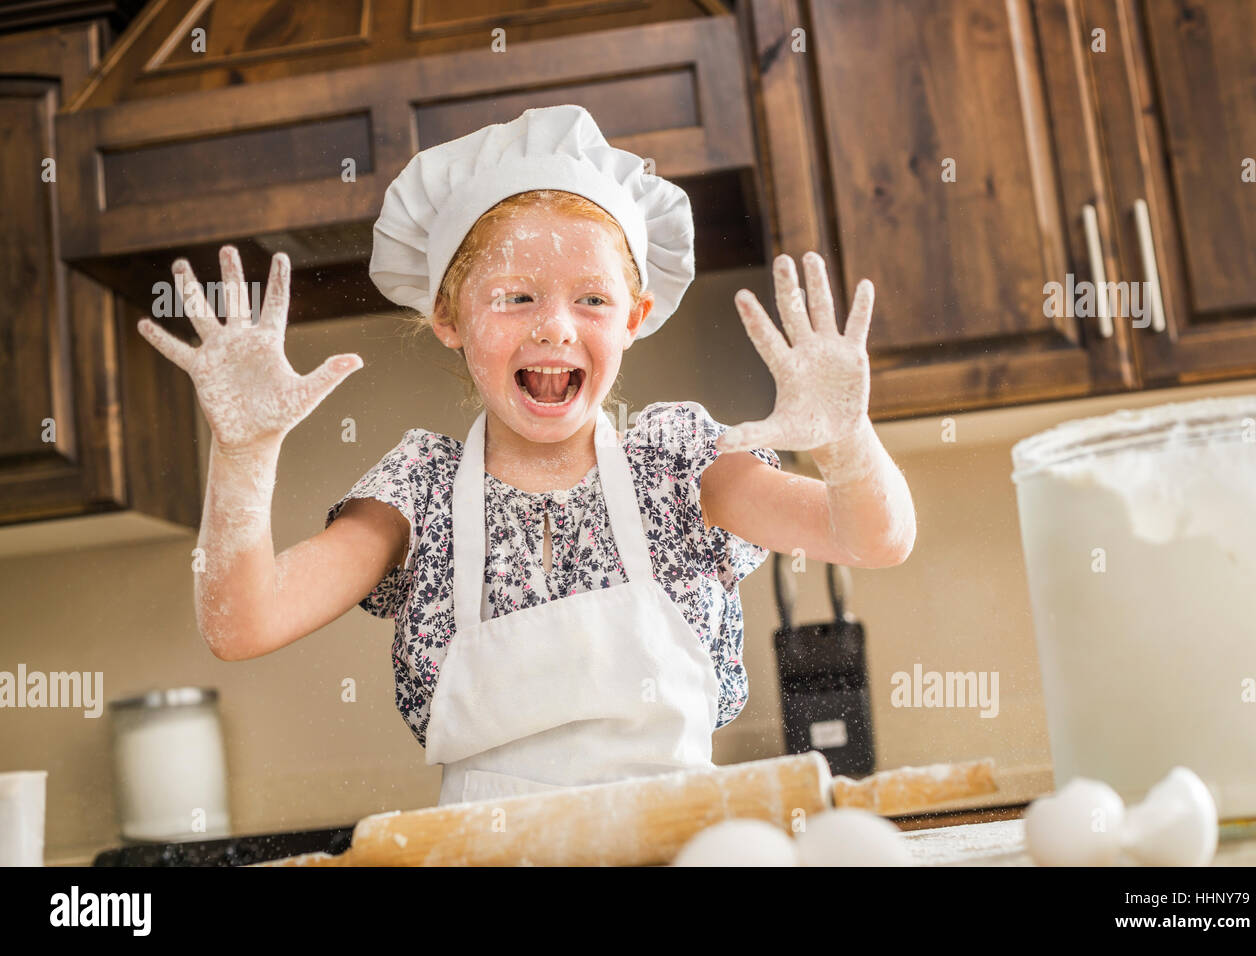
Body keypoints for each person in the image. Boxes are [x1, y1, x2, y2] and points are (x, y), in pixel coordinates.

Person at [136, 104, 916, 807]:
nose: (554, 328)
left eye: (593, 298)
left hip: (679, 850)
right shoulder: (421, 490)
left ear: (636, 316)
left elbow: (873, 538)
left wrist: (846, 443)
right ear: (449, 317)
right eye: (515, 296)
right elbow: (242, 624)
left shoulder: (681, 464)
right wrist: (242, 455)